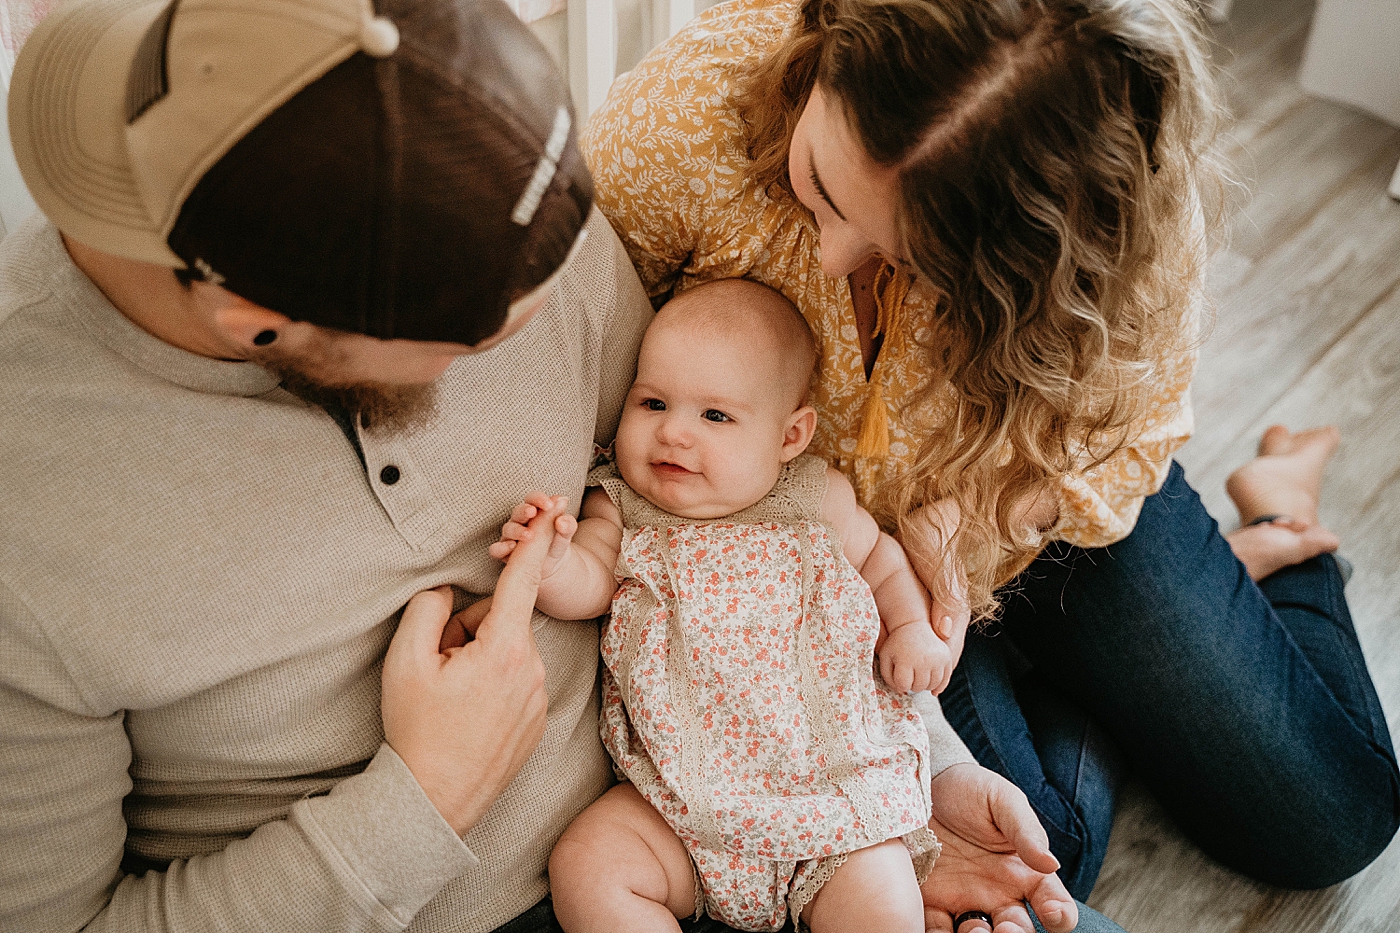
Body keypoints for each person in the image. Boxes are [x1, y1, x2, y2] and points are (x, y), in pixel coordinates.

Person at [0, 1, 1095, 932]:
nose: (551, 309)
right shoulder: (31, 517)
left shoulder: (501, 213)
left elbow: (747, 529)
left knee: (1059, 858)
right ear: (259, 325)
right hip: (520, 895)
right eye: (473, 346)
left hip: (798, 795)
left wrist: (911, 773)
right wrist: (420, 799)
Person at [582, 0, 1399, 906]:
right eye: (818, 182)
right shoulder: (687, 116)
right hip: (828, 585)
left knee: (1334, 821)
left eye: (913, 256)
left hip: (1036, 519)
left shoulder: (1121, 220)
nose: (831, 253)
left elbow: (1124, 449)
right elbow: (585, 367)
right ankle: (1088, 671)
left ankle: (1278, 512)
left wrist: (956, 559)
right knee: (1030, 861)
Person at [496, 279, 946, 933]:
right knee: (589, 862)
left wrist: (909, 627)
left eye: (715, 416)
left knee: (883, 907)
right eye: (653, 402)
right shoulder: (624, 509)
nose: (673, 431)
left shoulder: (814, 501)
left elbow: (880, 559)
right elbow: (590, 582)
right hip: (678, 806)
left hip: (831, 799)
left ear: (790, 435)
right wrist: (552, 561)